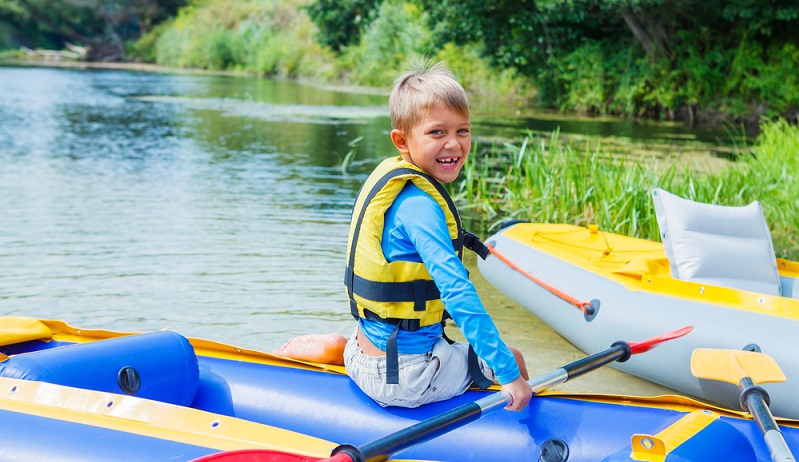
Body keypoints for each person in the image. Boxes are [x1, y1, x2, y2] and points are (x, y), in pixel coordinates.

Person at [342, 58, 532, 411]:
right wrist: (508, 374)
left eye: (463, 131)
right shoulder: (420, 207)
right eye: (437, 132)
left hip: (360, 357)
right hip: (407, 379)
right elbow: (457, 293)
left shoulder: (399, 188)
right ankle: (521, 418)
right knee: (514, 358)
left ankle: (330, 347)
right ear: (402, 140)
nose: (454, 144)